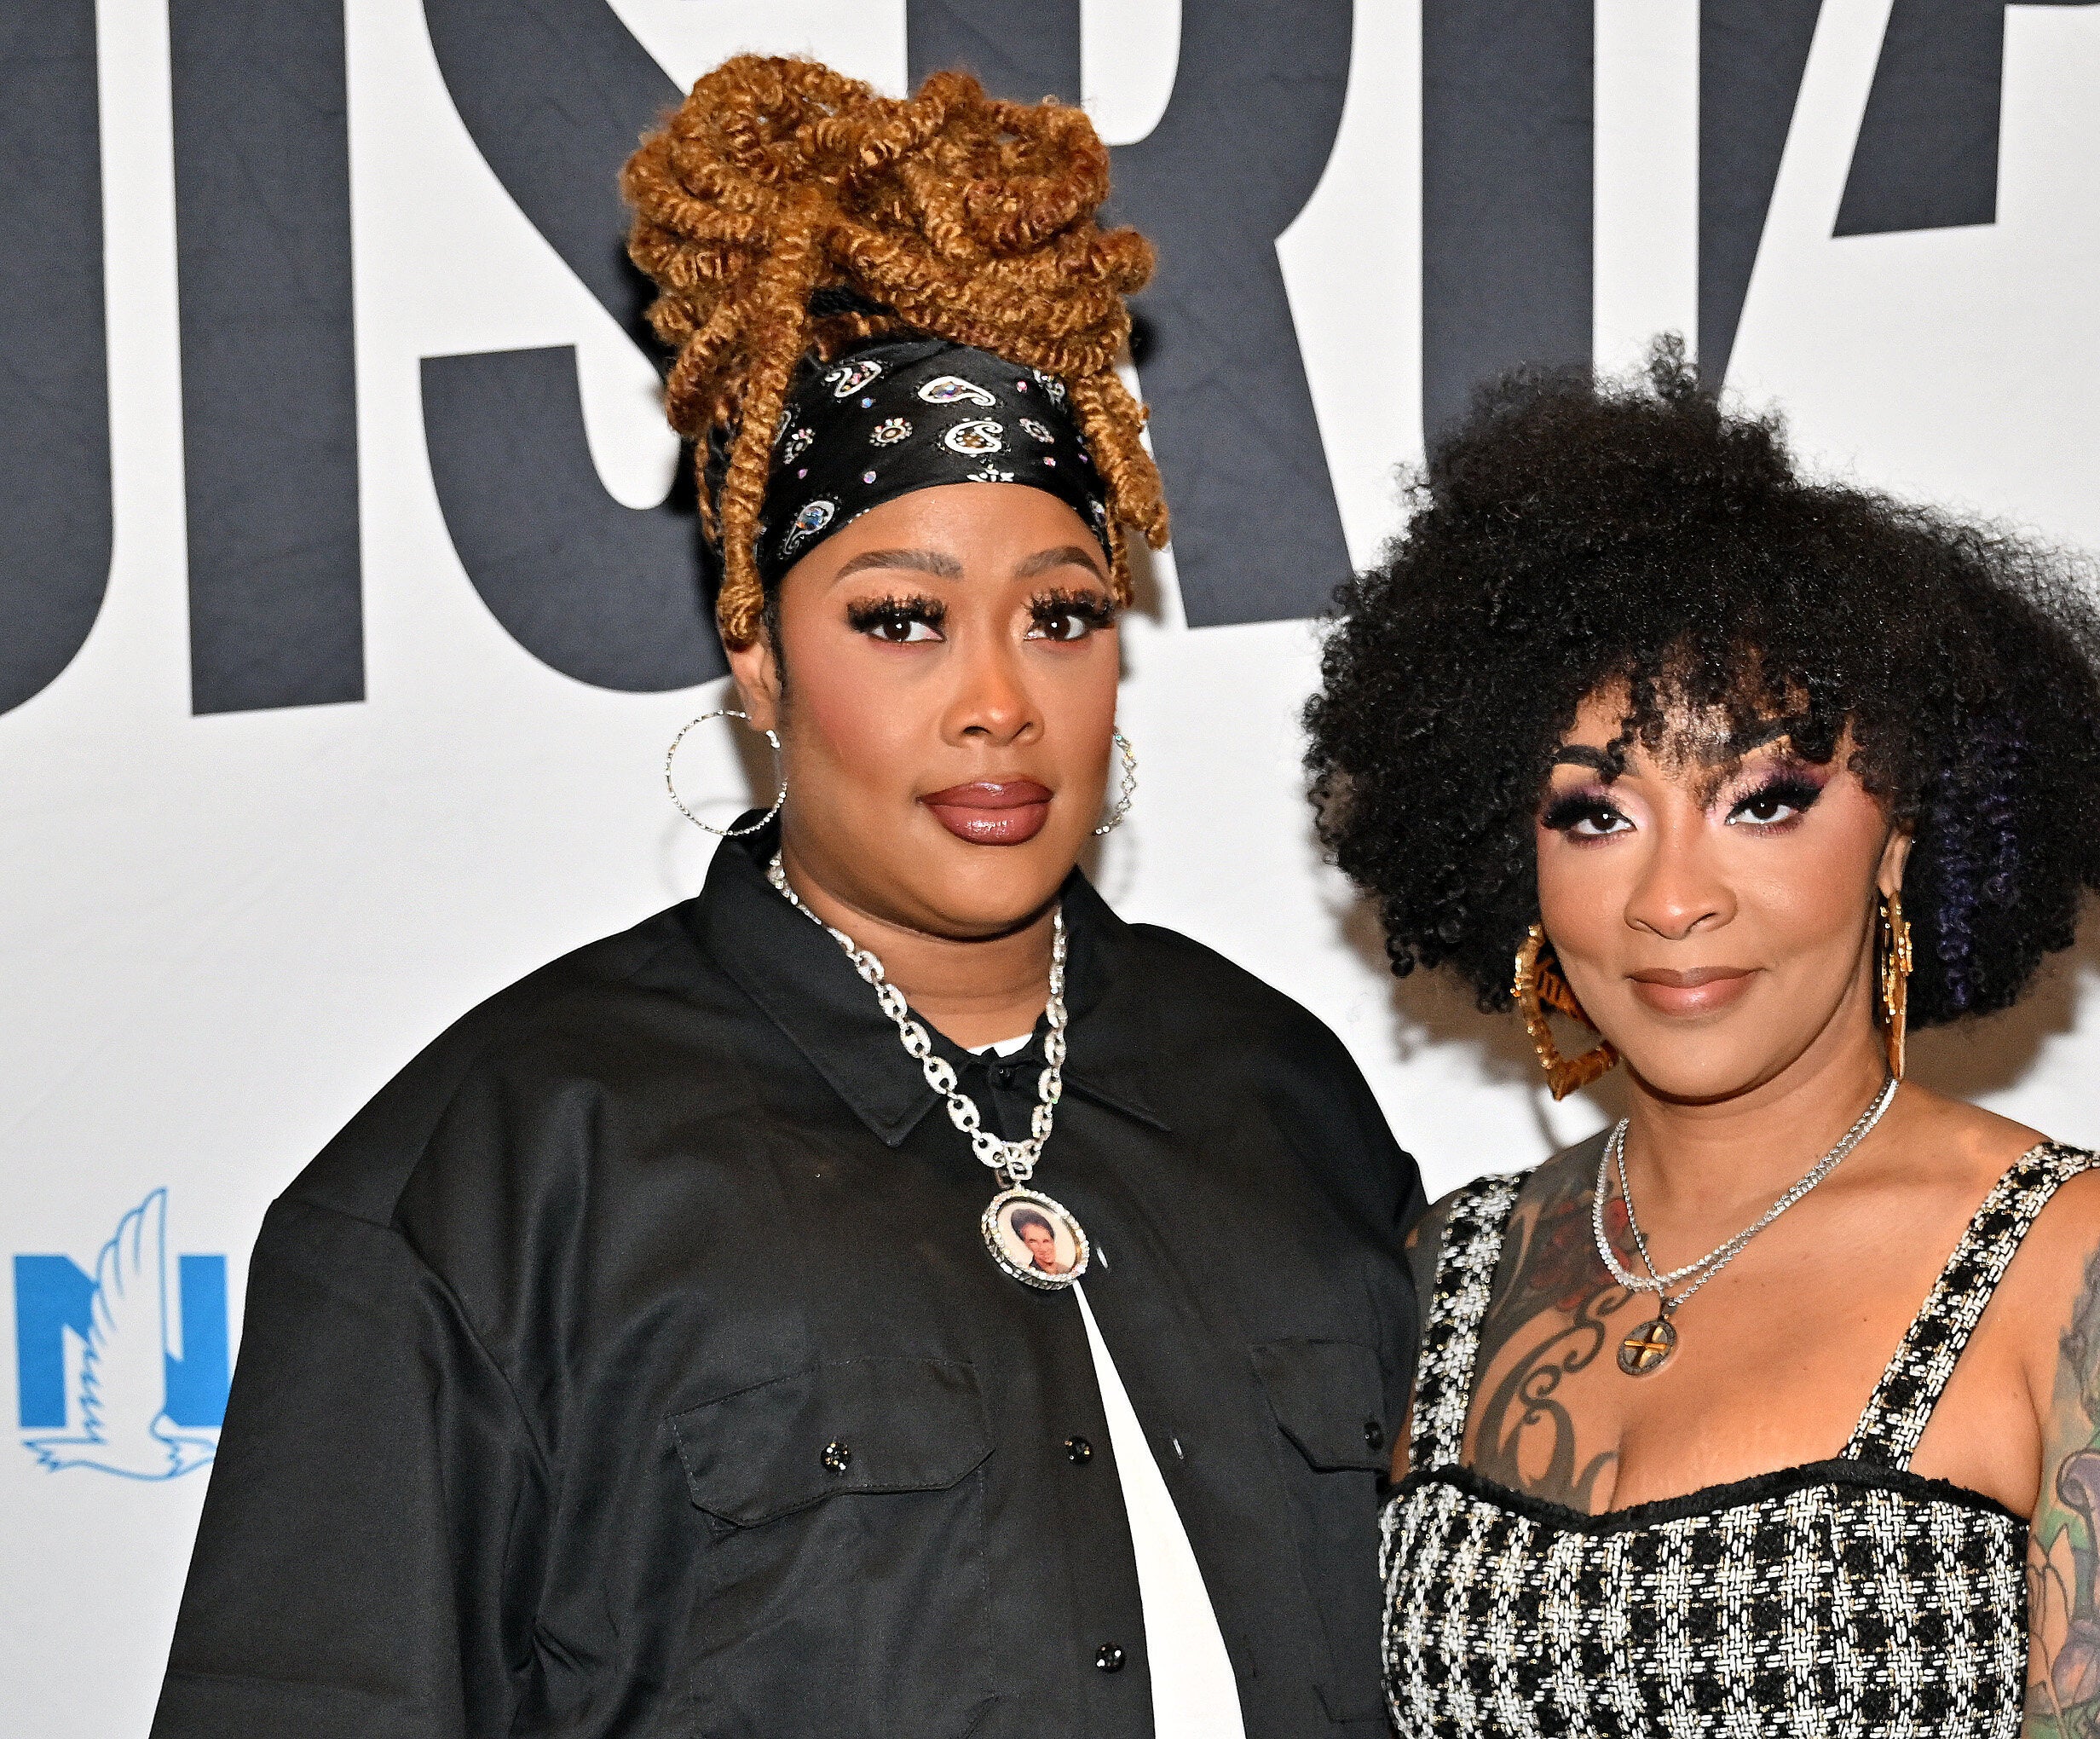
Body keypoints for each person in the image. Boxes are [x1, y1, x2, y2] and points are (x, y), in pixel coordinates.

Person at [153, 59, 1420, 1739]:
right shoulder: (498, 1174)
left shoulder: (1283, 1100)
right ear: (756, 654)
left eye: (1061, 615)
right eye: (902, 620)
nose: (998, 702)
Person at [1306, 349, 2100, 1737]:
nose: (1673, 898)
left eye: (1761, 802)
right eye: (1596, 814)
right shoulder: (1448, 1270)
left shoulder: (2087, 1272)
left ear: (1901, 837)